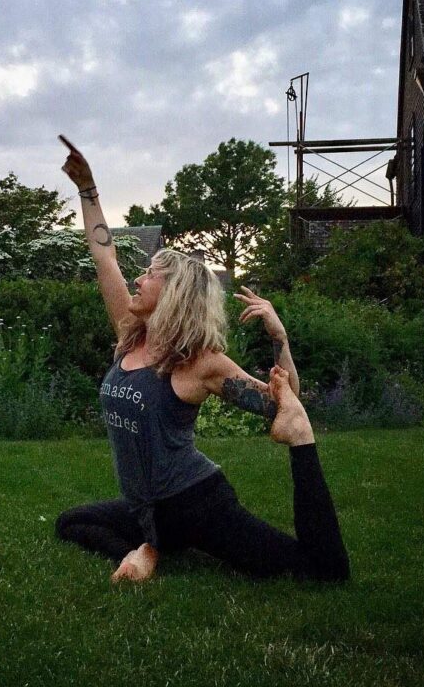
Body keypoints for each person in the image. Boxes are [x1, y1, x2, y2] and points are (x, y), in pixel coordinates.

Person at [55, 139, 349, 584]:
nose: (137, 278)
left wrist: (279, 338)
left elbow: (283, 404)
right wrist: (88, 189)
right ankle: (145, 550)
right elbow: (104, 256)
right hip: (146, 510)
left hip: (196, 504)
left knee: (314, 571)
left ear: (173, 294)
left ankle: (303, 456)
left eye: (150, 274)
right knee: (71, 522)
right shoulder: (128, 334)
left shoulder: (200, 363)